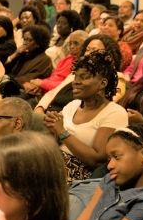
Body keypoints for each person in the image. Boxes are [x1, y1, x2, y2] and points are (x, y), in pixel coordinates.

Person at [44, 51, 128, 182]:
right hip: (53, 161)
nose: (75, 82)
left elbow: (96, 160)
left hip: (78, 175)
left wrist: (61, 131)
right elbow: (55, 139)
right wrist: (52, 128)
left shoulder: (115, 112)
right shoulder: (73, 105)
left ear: (102, 83)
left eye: (84, 77)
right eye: (76, 76)